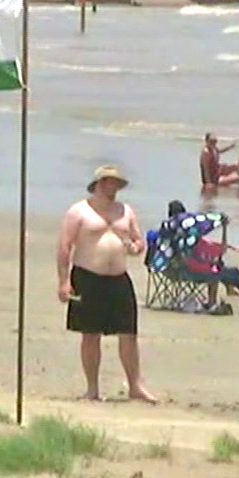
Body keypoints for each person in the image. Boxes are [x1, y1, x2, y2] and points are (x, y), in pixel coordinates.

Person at [57, 165, 157, 403]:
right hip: (88, 276)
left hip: (118, 278)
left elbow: (138, 241)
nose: (113, 187)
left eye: (117, 183)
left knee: (128, 333)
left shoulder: (125, 211)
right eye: (110, 182)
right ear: (99, 184)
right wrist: (63, 281)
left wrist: (136, 248)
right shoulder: (79, 211)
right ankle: (92, 388)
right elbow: (64, 247)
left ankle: (135, 385)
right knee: (91, 334)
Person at [198, 133, 239, 203]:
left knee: (236, 166)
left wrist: (230, 147)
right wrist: (208, 182)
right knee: (235, 180)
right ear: (206, 141)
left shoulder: (213, 148)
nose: (214, 143)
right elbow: (205, 168)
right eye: (211, 141)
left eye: (215, 141)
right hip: (212, 177)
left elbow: (220, 151)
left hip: (217, 170)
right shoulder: (206, 152)